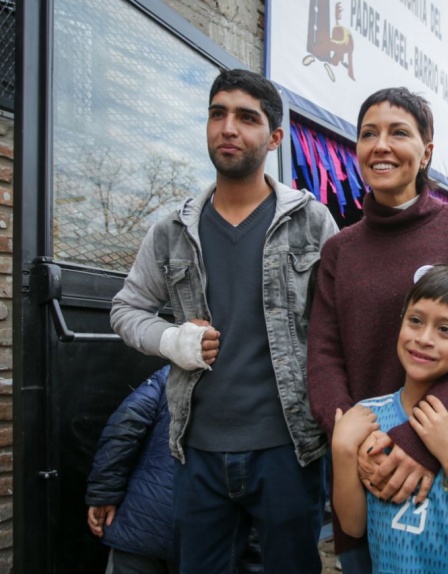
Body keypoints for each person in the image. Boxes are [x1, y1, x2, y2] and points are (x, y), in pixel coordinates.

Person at [111, 69, 338, 573]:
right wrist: (171, 339)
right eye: (218, 114)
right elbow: (125, 309)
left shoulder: (311, 221)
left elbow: (339, 323)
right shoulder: (171, 230)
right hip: (197, 450)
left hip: (288, 448)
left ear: (275, 137)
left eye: (246, 117)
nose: (228, 128)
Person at [307, 87, 448, 571]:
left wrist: (419, 443)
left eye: (399, 133)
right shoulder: (340, 250)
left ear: (427, 151)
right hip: (365, 467)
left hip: (447, 457)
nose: (381, 145)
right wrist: (355, 441)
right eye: (368, 134)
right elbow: (324, 356)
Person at [331, 265, 448, 573]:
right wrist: (342, 450)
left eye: (445, 329)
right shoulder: (367, 417)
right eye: (415, 321)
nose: (424, 338)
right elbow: (352, 526)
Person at [87, 366, 176, 574]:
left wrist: (104, 494)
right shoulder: (260, 384)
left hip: (141, 523)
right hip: (208, 536)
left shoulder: (170, 373)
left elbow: (123, 428)